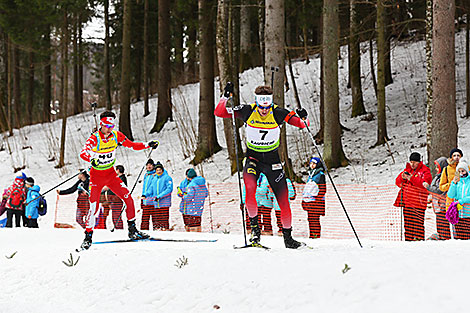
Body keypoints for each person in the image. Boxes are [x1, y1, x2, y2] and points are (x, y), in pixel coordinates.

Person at [215, 83, 309, 248]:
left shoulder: (279, 113)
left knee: (283, 200)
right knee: (250, 188)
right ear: (257, 103)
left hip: (273, 160)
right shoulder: (247, 110)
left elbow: (302, 125)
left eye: (267, 108)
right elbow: (220, 112)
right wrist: (225, 96)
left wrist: (304, 116)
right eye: (261, 107)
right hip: (253, 158)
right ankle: (255, 232)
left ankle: (288, 239)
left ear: (270, 103)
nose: (264, 111)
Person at [79, 110, 159, 249]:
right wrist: (92, 159)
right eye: (107, 126)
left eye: (112, 126)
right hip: (97, 178)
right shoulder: (94, 138)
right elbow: (83, 153)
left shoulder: (116, 136)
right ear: (102, 124)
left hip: (111, 175)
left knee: (128, 198)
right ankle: (88, 236)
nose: (110, 129)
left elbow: (131, 145)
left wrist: (148, 144)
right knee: (94, 207)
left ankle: (132, 230)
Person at [393, 152, 432, 241]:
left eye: (414, 162)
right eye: (411, 162)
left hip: (419, 203)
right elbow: (398, 182)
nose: (412, 164)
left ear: (419, 162)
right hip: (407, 203)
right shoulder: (407, 169)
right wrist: (403, 177)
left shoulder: (425, 171)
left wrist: (412, 178)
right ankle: (408, 241)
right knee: (408, 225)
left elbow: (425, 184)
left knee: (418, 225)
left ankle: (419, 241)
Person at [425, 157, 450, 240]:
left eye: (437, 167)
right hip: (437, 207)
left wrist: (428, 187)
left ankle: (445, 241)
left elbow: (439, 190)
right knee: (439, 227)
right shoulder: (437, 177)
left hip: (442, 206)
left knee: (444, 229)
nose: (436, 169)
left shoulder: (444, 177)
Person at [301, 157, 327, 239]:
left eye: (314, 164)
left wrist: (318, 199)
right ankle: (311, 235)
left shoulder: (320, 175)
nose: (312, 165)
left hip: (316, 202)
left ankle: (316, 235)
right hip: (309, 201)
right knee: (310, 219)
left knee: (315, 219)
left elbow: (323, 189)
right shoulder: (311, 174)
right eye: (311, 163)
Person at [447, 160, 470, 239]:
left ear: (467, 171)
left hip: (468, 215)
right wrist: (453, 184)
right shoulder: (458, 183)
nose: (461, 173)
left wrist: (461, 201)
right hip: (459, 215)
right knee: (459, 238)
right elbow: (450, 195)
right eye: (459, 171)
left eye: (463, 171)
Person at [100, 165, 127, 229]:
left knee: (116, 216)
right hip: (113, 199)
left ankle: (119, 229)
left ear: (118, 170)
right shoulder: (118, 178)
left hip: (117, 200)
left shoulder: (122, 178)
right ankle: (117, 228)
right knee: (114, 216)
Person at [148, 161, 173, 230]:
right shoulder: (155, 178)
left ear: (162, 170)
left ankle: (165, 231)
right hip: (156, 203)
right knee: (156, 221)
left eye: (160, 170)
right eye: (157, 170)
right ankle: (157, 231)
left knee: (164, 220)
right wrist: (145, 194)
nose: (158, 171)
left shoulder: (167, 178)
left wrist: (159, 196)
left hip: (164, 203)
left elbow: (169, 189)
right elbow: (151, 188)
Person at [141, 159, 157, 230]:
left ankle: (156, 231)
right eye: (147, 165)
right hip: (145, 200)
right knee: (144, 219)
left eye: (150, 165)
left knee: (154, 219)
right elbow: (144, 187)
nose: (149, 166)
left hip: (152, 200)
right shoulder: (146, 175)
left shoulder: (155, 175)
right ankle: (144, 231)